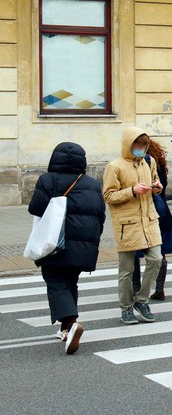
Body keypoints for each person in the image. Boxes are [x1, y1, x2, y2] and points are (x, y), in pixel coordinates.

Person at [28, 143, 105, 354]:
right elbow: (101, 214)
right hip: (85, 244)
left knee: (56, 282)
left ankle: (71, 325)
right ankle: (65, 329)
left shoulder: (48, 180)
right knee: (70, 281)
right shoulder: (91, 183)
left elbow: (35, 208)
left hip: (56, 243)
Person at [103, 127, 163, 325]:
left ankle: (141, 300)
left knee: (156, 260)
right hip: (127, 224)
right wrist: (132, 191)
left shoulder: (149, 161)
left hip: (149, 220)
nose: (141, 148)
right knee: (127, 270)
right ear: (128, 144)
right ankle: (126, 308)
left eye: (144, 145)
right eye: (137, 144)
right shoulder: (115, 166)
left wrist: (157, 188)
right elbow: (108, 196)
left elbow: (155, 179)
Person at [131, 138, 172, 301]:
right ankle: (159, 289)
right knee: (160, 253)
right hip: (162, 213)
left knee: (134, 252)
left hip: (144, 214)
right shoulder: (160, 166)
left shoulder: (139, 165)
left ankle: (135, 287)